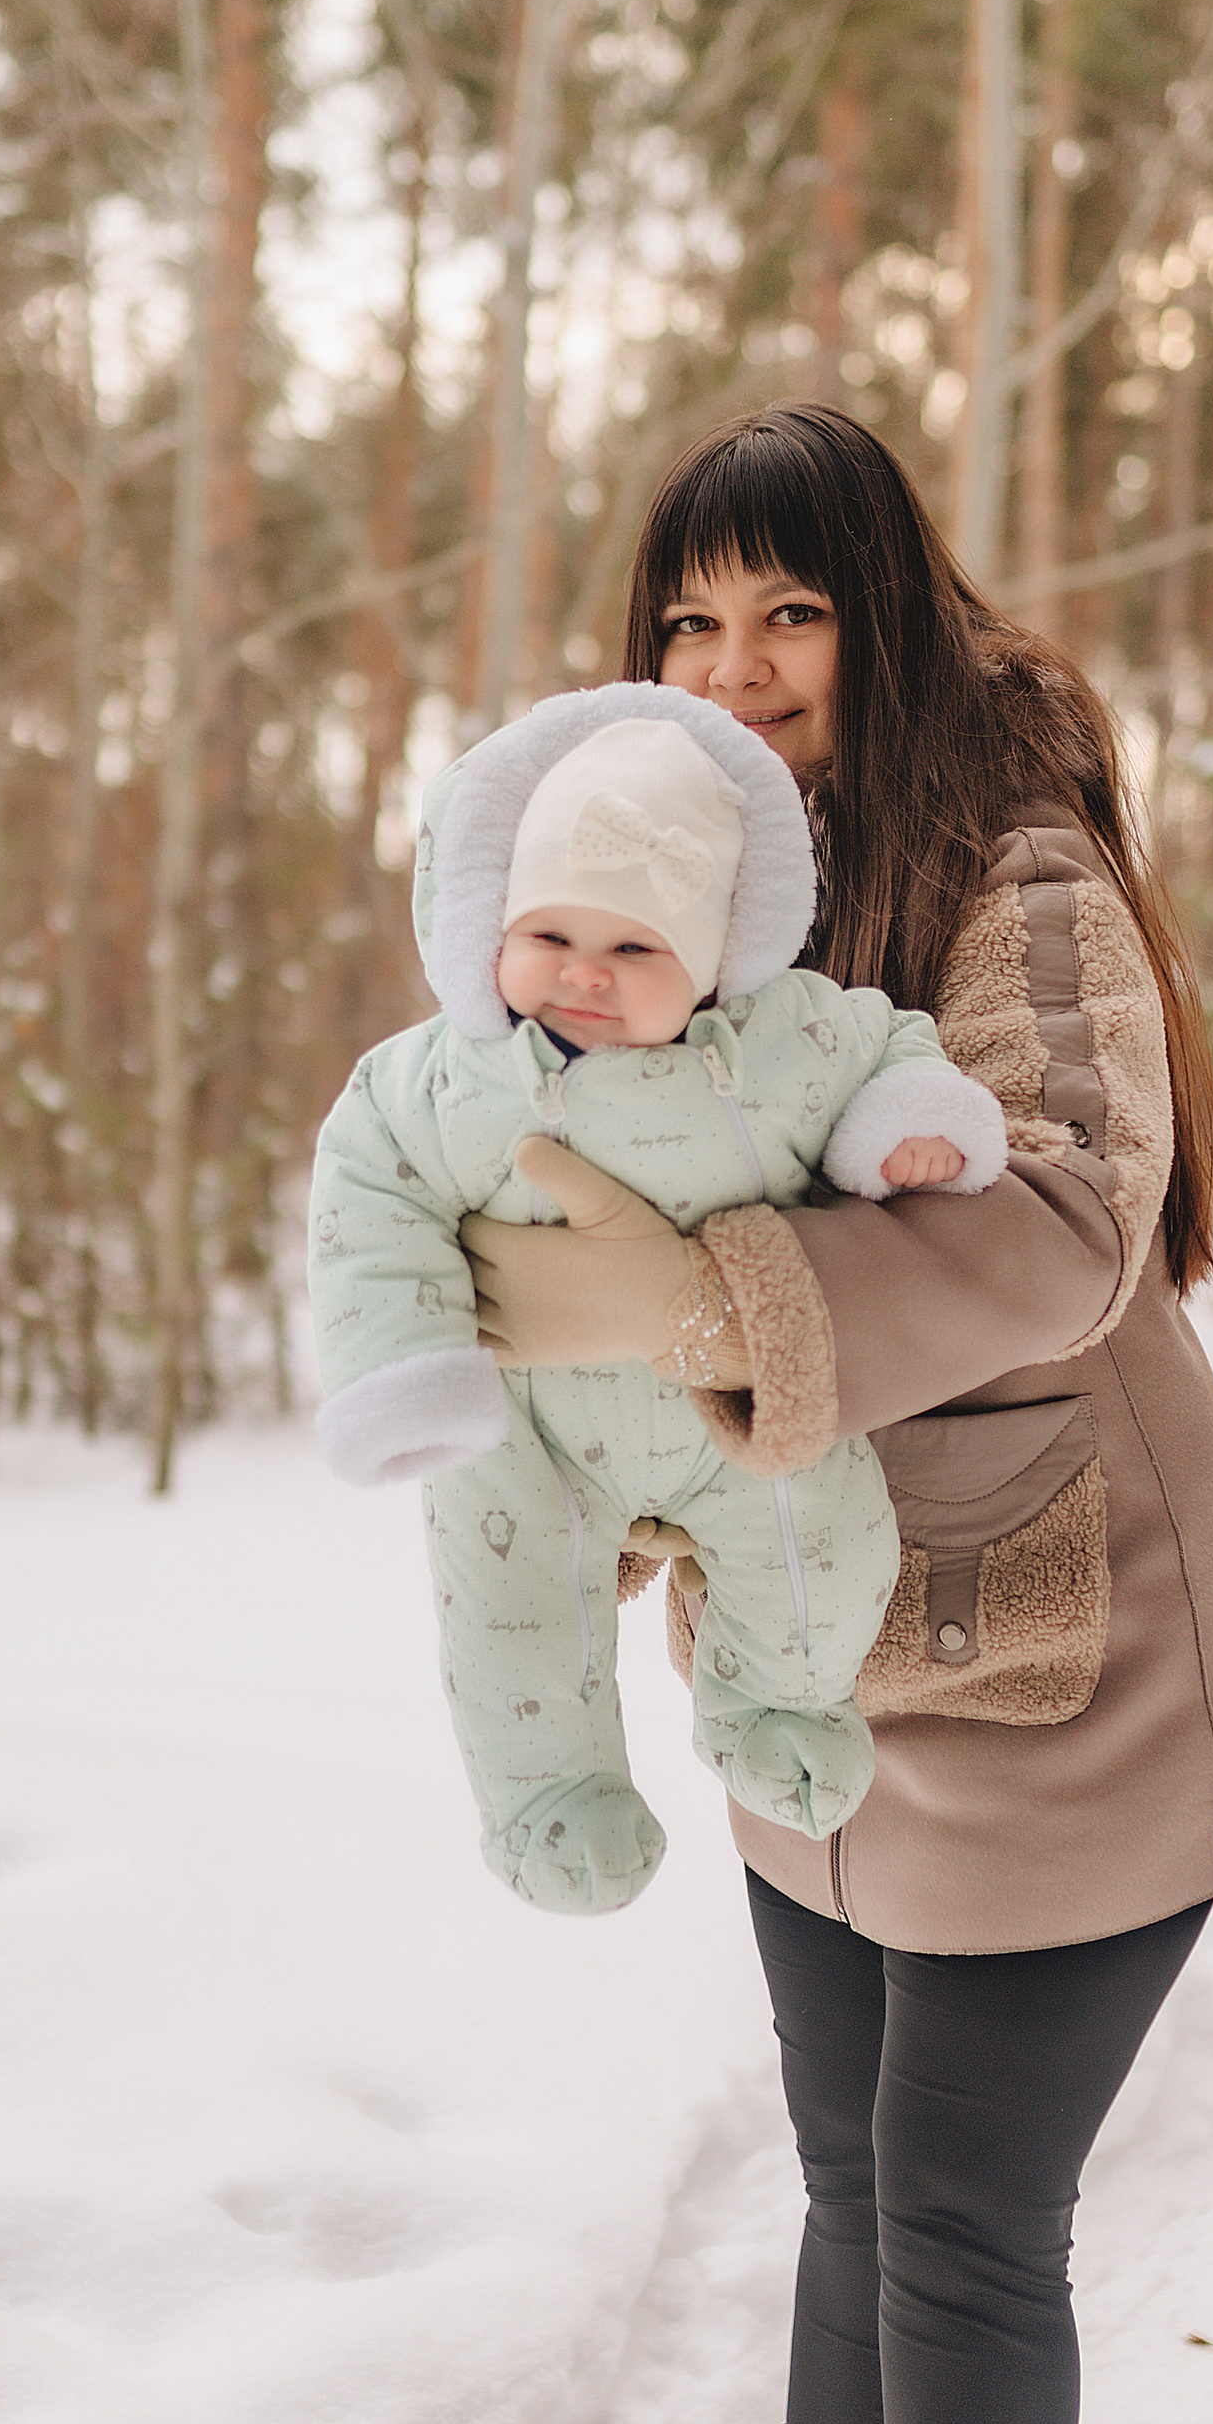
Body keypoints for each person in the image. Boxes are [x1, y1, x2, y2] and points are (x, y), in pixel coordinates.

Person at [459, 404, 1213, 2424]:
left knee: (960, 2216)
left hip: (1071, 1633)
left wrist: (710, 1303)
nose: (736, 679)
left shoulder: (1018, 868)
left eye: (788, 620)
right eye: (688, 628)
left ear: (886, 621)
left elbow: (1060, 1213)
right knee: (846, 2156)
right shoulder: (690, 889)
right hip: (831, 1647)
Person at [306, 687, 1006, 1910]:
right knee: (509, 1619)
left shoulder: (776, 1038)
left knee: (822, 1548)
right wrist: (404, 1359)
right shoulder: (438, 1076)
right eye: (549, 935)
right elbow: (367, 1189)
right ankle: (548, 1798)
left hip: (731, 1406)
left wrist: (907, 1127)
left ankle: (775, 1702)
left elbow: (888, 1043)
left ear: (714, 957)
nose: (584, 973)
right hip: (525, 1434)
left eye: (636, 948)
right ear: (490, 926)